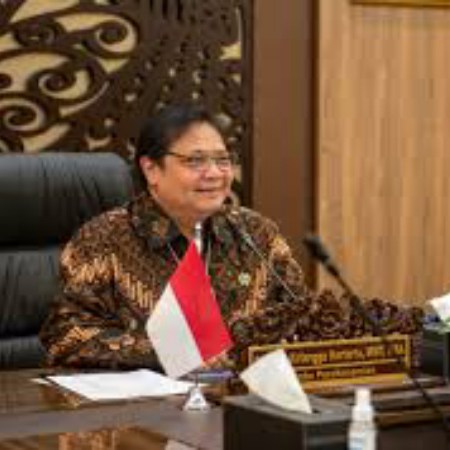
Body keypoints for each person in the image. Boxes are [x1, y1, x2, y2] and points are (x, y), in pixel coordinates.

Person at [40, 104, 312, 369]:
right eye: (195, 161)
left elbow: (302, 318)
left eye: (222, 160)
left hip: (243, 392)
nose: (214, 173)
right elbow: (65, 336)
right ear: (151, 169)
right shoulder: (103, 239)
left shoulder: (255, 233)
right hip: (146, 396)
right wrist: (166, 353)